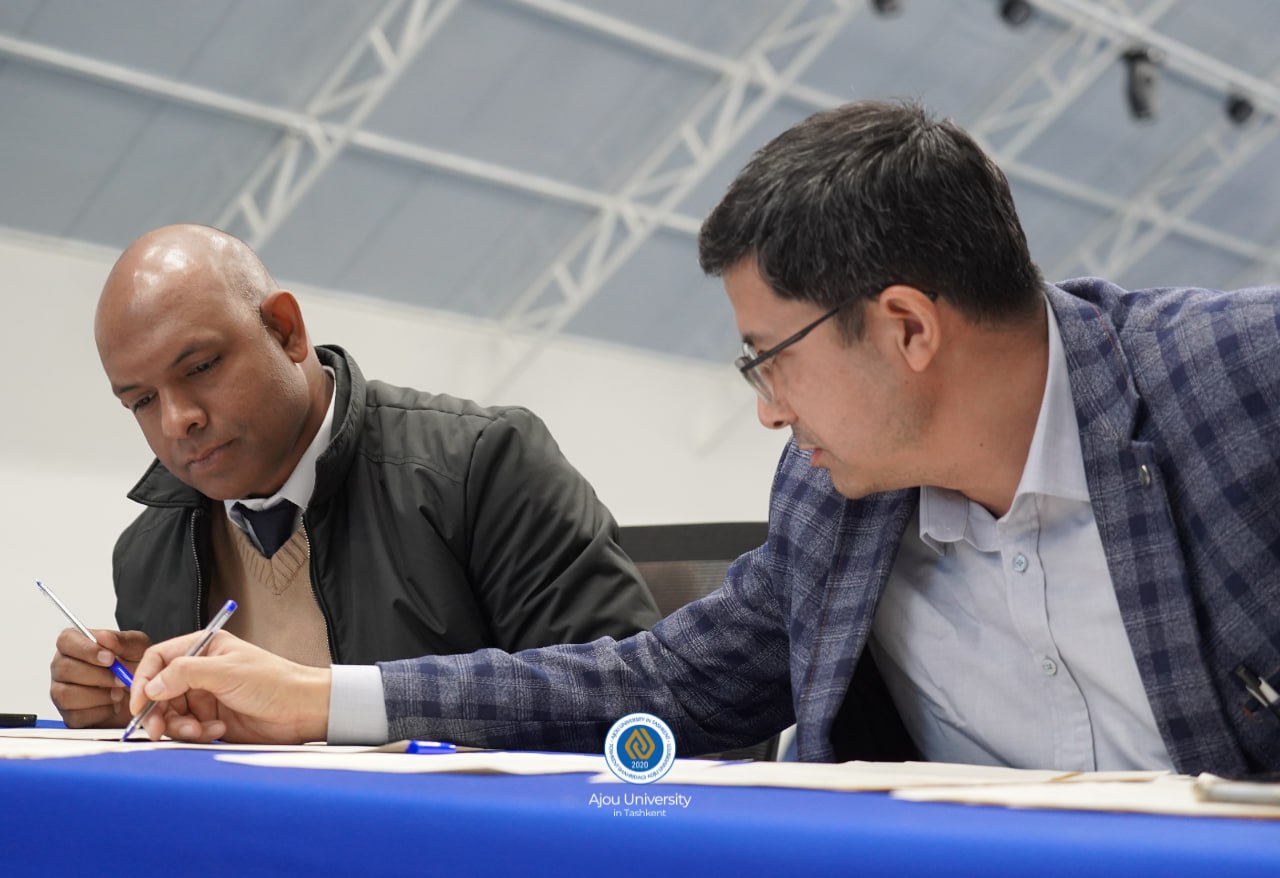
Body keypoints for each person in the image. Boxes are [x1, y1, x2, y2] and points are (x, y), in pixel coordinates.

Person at [126, 102, 1280, 778]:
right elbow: (652, 680)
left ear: (906, 327)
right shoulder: (832, 505)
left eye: (768, 356)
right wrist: (318, 699)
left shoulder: (1234, 382)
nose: (768, 408)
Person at [50, 224, 660, 729]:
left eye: (202, 366)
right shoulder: (149, 551)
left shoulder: (482, 466)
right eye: (141, 401)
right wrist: (133, 707)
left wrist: (327, 703)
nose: (177, 420)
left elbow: (633, 705)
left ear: (286, 330)